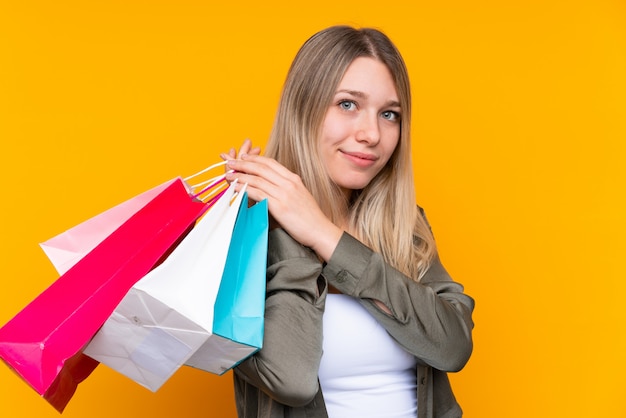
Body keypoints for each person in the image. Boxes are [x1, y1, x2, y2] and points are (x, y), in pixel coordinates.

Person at [221, 25, 475, 418]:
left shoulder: (403, 227)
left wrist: (325, 234)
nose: (372, 134)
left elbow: (453, 346)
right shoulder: (249, 231)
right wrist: (290, 229)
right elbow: (291, 378)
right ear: (303, 107)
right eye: (347, 104)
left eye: (389, 114)